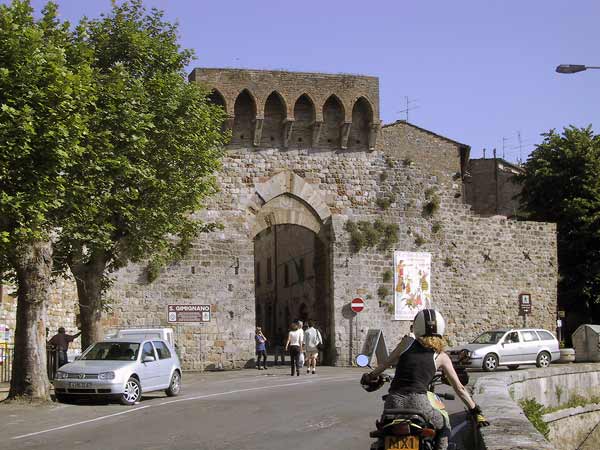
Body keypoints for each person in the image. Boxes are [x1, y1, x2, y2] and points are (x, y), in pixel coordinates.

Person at [361, 309, 489, 450]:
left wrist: (370, 377)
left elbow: (385, 363)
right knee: (444, 423)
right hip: (420, 405)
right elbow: (459, 388)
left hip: (392, 403)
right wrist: (475, 411)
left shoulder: (406, 343)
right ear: (441, 328)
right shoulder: (441, 357)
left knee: (384, 431)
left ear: (416, 327)